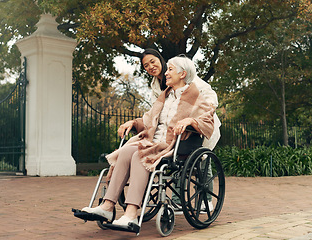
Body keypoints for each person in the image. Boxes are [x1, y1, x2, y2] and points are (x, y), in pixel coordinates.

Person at [81, 56, 215, 227]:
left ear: (182, 74)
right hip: (152, 143)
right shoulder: (165, 96)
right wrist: (133, 123)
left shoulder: (196, 97)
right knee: (126, 151)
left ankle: (131, 214)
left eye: (170, 69)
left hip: (171, 146)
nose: (165, 73)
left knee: (139, 154)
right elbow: (149, 120)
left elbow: (207, 120)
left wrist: (191, 121)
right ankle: (107, 206)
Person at [141, 49, 221, 210]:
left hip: (196, 126)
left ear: (160, 60)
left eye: (153, 61)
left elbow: (208, 95)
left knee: (202, 161)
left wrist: (201, 114)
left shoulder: (181, 70)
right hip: (172, 129)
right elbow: (155, 108)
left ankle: (206, 200)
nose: (150, 66)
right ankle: (177, 201)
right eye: (146, 65)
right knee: (177, 160)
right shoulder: (155, 85)